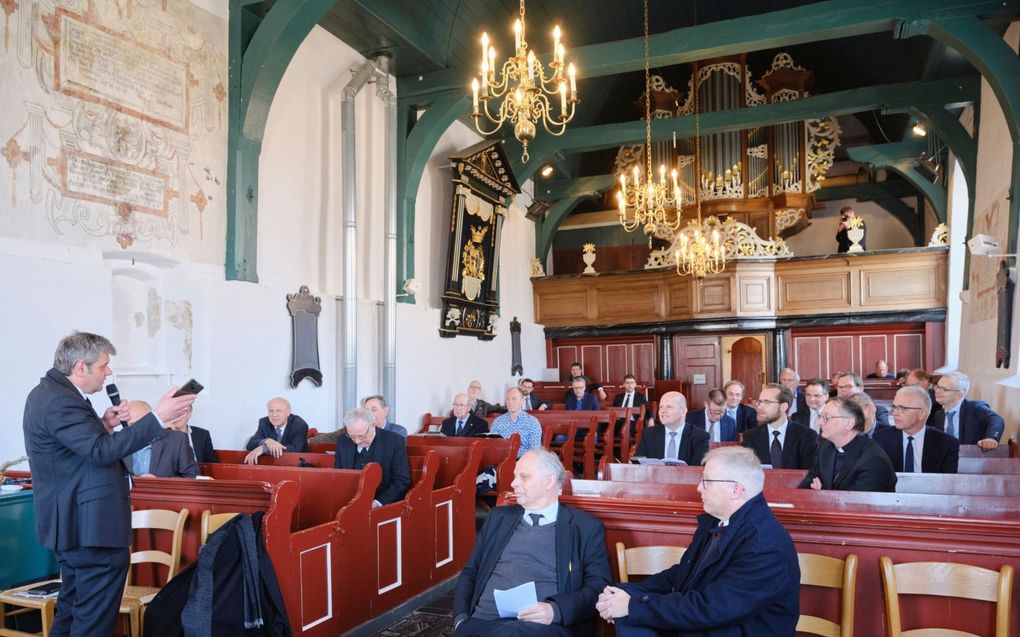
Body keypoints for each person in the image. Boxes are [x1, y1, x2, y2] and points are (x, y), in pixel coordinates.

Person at [23, 332, 196, 636]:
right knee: (93, 622)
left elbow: (75, 450)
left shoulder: (51, 394)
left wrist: (103, 425)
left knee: (74, 610)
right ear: (80, 367)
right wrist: (156, 418)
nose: (108, 372)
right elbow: (100, 453)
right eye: (103, 366)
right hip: (90, 530)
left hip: (76, 527)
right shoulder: (61, 401)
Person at [596, 447, 800, 636]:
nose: (698, 488)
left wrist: (632, 606)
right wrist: (624, 593)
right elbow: (683, 575)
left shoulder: (765, 545)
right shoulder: (719, 521)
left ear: (736, 490)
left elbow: (711, 607)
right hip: (715, 625)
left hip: (733, 628)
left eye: (706, 481)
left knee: (635, 618)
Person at [453, 449, 611, 636]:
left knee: (512, 632)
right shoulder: (498, 518)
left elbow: (598, 586)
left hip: (543, 627)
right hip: (482, 622)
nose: (513, 483)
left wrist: (555, 610)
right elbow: (471, 572)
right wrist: (460, 619)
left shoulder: (584, 527)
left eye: (524, 477)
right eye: (515, 476)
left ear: (549, 481)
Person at [799, 396, 897, 492]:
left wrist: (823, 493)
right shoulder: (826, 447)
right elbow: (806, 486)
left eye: (827, 418)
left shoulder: (874, 461)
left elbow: (855, 504)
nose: (820, 423)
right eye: (821, 417)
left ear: (849, 423)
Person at [333, 407, 410, 507]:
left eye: (362, 436)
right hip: (349, 503)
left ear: (373, 425)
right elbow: (339, 476)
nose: (357, 441)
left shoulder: (394, 441)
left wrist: (377, 503)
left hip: (383, 503)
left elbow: (401, 481)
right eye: (352, 436)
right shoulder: (343, 441)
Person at [875, 386, 959, 473]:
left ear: (921, 414)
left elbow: (948, 483)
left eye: (902, 408)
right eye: (894, 407)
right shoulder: (881, 439)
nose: (895, 413)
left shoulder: (947, 444)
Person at [743, 384, 818, 470]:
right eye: (760, 402)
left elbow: (808, 474)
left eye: (767, 402)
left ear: (783, 407)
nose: (760, 407)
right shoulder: (750, 437)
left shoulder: (807, 436)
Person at [932, 371, 1004, 450]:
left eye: (944, 389)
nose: (937, 391)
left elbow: (996, 419)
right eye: (937, 386)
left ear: (959, 395)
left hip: (971, 458)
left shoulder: (975, 408)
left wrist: (991, 438)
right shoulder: (939, 415)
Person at [123, 400, 197, 478]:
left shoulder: (178, 440)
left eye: (141, 423)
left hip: (166, 490)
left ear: (152, 419)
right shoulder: (119, 442)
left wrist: (159, 482)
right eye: (131, 424)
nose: (136, 429)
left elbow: (190, 476)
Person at [633, 392, 708, 466]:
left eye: (669, 407)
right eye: (661, 407)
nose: (662, 411)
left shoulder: (699, 437)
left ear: (683, 411)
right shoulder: (649, 434)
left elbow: (697, 470)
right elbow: (637, 463)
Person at [243, 397, 309, 464]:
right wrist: (267, 441)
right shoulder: (264, 422)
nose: (274, 415)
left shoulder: (299, 424)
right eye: (271, 411)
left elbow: (296, 449)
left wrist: (265, 448)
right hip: (271, 465)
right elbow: (250, 444)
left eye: (278, 411)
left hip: (295, 465)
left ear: (288, 412)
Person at [491, 387, 543, 458]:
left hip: (524, 462)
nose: (510, 402)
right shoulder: (497, 422)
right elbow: (492, 446)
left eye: (514, 399)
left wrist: (513, 455)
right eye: (507, 399)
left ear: (522, 401)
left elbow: (535, 450)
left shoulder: (532, 422)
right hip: (500, 460)